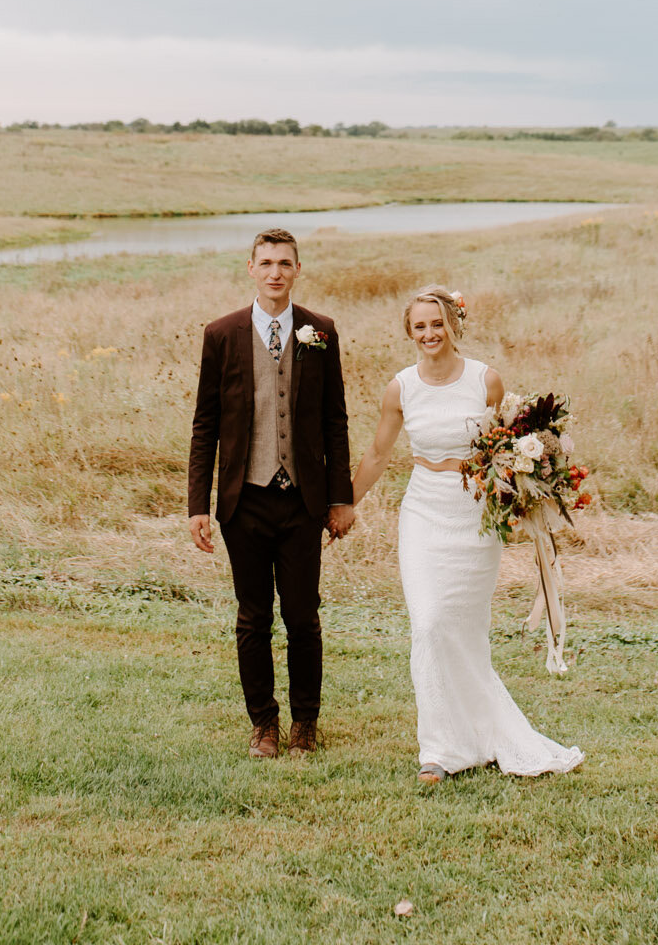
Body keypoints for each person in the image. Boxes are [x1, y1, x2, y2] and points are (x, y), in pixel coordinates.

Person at [352, 285, 583, 784]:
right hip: (422, 512)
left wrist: (526, 494)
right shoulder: (401, 388)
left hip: (473, 517)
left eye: (437, 324)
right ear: (409, 332)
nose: (429, 334)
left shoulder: (485, 380)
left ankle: (478, 736)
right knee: (429, 622)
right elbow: (376, 455)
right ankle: (437, 750)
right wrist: (346, 505)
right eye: (419, 326)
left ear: (454, 324)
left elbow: (509, 448)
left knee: (465, 632)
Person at [187, 228, 355, 758]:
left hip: (303, 501)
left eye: (285, 262)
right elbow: (205, 423)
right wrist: (197, 505)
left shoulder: (320, 331)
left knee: (303, 616)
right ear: (251, 268)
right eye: (266, 262)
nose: (276, 271)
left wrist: (340, 497)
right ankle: (264, 723)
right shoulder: (221, 334)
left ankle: (305, 723)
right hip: (244, 500)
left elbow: (335, 422)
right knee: (252, 616)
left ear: (297, 270)